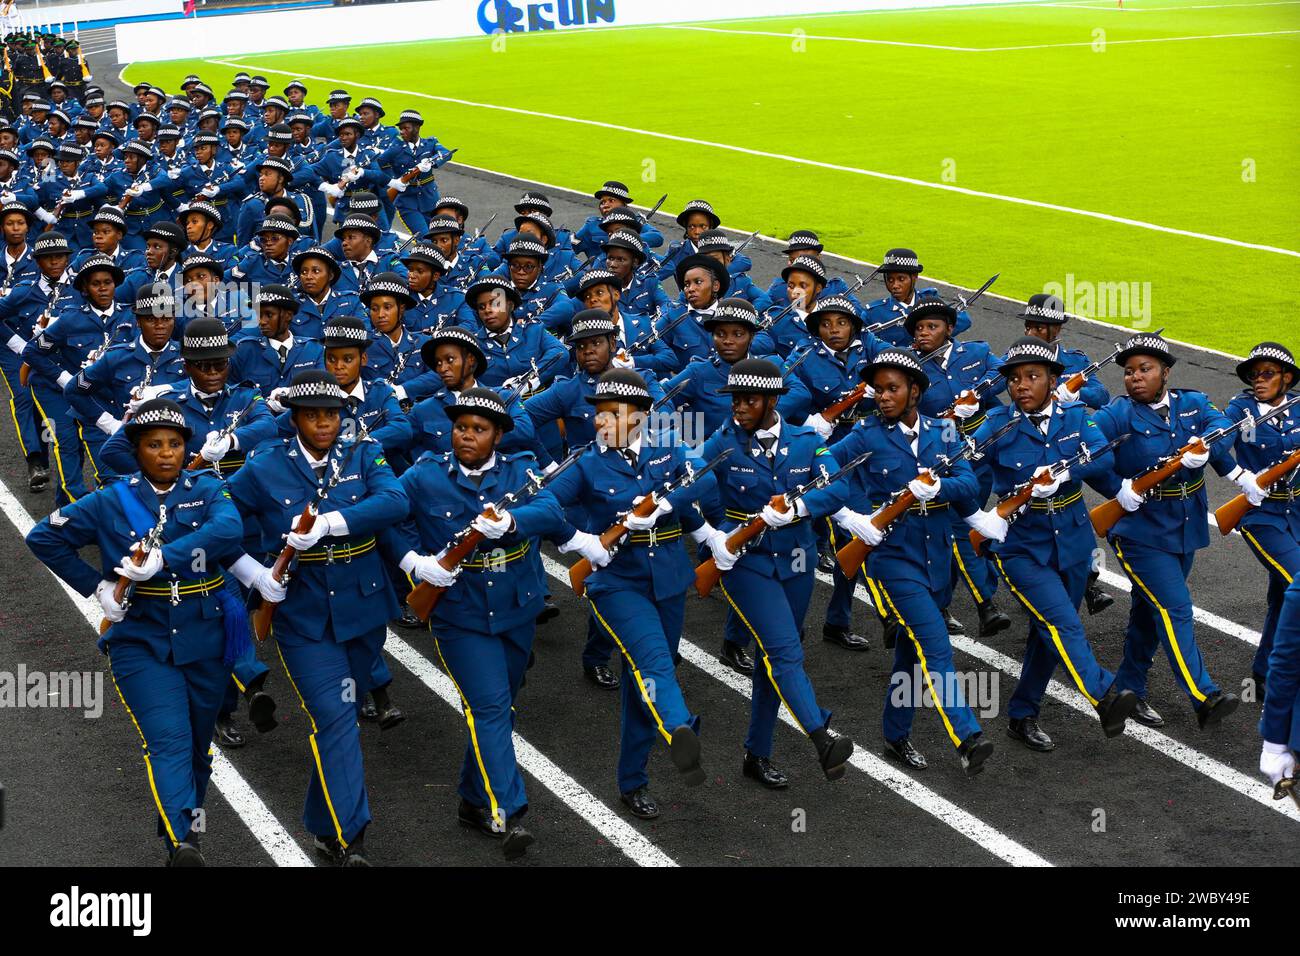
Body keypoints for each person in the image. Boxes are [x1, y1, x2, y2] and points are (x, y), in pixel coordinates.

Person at [25, 397, 247, 865]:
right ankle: (186, 841)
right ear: (136, 450)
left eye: (173, 444)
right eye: (153, 445)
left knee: (195, 749)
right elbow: (43, 536)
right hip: (140, 640)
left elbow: (228, 530)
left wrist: (168, 556)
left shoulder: (207, 487)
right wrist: (97, 585)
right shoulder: (112, 499)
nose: (165, 453)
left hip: (205, 638)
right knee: (168, 739)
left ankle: (179, 837)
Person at [226, 369, 409, 865]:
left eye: (332, 413)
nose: (325, 422)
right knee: (335, 716)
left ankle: (323, 825)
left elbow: (396, 500)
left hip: (364, 607)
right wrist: (255, 574)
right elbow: (219, 525)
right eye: (313, 414)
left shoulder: (363, 452)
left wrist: (329, 522)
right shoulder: (264, 466)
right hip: (304, 614)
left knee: (341, 718)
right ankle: (353, 837)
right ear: (296, 418)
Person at [384, 386, 565, 858]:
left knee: (500, 706)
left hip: (516, 606)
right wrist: (414, 562)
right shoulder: (425, 476)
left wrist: (510, 525)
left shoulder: (519, 468)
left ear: (498, 435)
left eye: (478, 429)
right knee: (488, 707)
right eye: (460, 427)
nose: (466, 436)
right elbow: (386, 514)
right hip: (459, 610)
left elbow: (550, 508)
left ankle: (470, 799)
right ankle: (510, 810)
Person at [98, 317, 281, 747]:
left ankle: (237, 687)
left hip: (244, 521)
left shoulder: (245, 398)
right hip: (190, 525)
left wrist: (231, 444)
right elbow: (111, 455)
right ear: (186, 364)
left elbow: (271, 426)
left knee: (252, 605)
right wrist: (138, 423)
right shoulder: (172, 404)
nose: (215, 372)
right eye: (204, 365)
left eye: (220, 363)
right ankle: (237, 697)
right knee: (222, 610)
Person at [545, 368, 709, 818]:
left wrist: (666, 505)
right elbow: (546, 506)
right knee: (654, 661)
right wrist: (582, 543)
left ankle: (632, 780)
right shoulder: (586, 464)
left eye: (613, 415)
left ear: (640, 417)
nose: (601, 423)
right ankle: (680, 729)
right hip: (618, 581)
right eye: (597, 415)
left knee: (645, 679)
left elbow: (705, 479)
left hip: (670, 576)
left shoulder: (665, 445)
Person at [964, 337, 1140, 750]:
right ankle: (1105, 694)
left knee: (1048, 633)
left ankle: (1023, 714)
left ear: (1053, 380)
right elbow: (962, 478)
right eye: (1014, 379)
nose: (1021, 385)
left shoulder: (1076, 416)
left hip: (1074, 541)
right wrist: (980, 519)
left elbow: (1103, 456)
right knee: (1063, 623)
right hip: (1022, 546)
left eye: (1032, 377)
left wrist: (1065, 472)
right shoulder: (996, 425)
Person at [826, 348, 994, 775]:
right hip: (893, 555)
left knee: (910, 653)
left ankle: (895, 734)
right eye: (878, 389)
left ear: (915, 391)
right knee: (936, 645)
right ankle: (966, 736)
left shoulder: (945, 430)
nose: (882, 396)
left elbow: (970, 480)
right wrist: (858, 515)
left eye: (892, 388)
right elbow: (825, 468)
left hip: (936, 554)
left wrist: (938, 489)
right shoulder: (865, 434)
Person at [700, 358, 857, 786]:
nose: (740, 407)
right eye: (735, 398)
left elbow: (837, 486)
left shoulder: (806, 441)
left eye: (750, 398)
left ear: (773, 401)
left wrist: (799, 509)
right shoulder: (722, 443)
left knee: (776, 658)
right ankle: (821, 734)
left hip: (797, 561)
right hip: (747, 563)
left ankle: (757, 752)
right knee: (785, 651)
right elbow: (687, 487)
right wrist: (711, 536)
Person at [1091, 332, 1244, 729]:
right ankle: (1203, 694)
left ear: (1166, 372)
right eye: (1128, 372)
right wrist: (1117, 490)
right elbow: (1085, 455)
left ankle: (1129, 688)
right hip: (1139, 531)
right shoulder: (1116, 415)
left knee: (1149, 613)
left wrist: (1206, 445)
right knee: (1175, 608)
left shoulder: (1191, 403)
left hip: (1184, 525)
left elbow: (1223, 425)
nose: (1135, 377)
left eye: (1145, 369)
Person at [910, 297, 1011, 637]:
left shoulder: (977, 353)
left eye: (932, 326)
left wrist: (975, 397)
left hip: (982, 454)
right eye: (919, 328)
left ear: (950, 329)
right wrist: (946, 419)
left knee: (970, 529)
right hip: (943, 456)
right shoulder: (913, 369)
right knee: (957, 528)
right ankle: (985, 603)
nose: (925, 333)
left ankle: (941, 603)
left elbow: (1003, 376)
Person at [1021, 292, 1114, 615]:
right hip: (1033, 440)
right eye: (1029, 325)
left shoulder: (1074, 360)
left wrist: (1074, 391)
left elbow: (1101, 394)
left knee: (1073, 509)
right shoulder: (1019, 356)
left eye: (1039, 326)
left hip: (1070, 438)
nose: (1031, 332)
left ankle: (1087, 580)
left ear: (1056, 330)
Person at [1223, 342, 1300, 695]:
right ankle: (1285, 670)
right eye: (1254, 374)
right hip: (1261, 515)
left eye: (1267, 373)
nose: (1258, 380)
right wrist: (1242, 477)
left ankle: (1265, 670)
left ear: (1287, 378)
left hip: (1296, 511)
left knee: (1285, 594)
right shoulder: (1241, 409)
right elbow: (1215, 445)